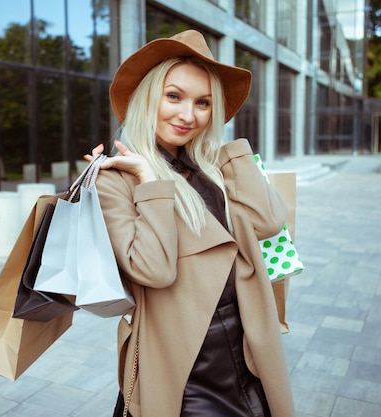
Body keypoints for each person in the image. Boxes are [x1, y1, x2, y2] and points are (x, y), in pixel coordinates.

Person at [86, 29, 295, 417]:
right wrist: (151, 182)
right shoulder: (113, 180)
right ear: (149, 97)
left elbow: (269, 222)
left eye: (204, 103)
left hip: (249, 345)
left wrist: (229, 150)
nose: (188, 115)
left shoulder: (213, 165)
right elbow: (153, 270)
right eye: (174, 96)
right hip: (183, 363)